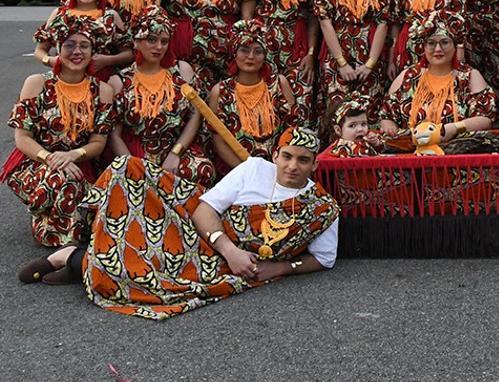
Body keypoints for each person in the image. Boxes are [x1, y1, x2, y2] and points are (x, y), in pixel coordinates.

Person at [23, 128, 338, 317]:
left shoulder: (322, 207)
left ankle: (75, 259)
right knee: (127, 169)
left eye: (303, 159)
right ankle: (81, 257)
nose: (292, 166)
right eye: (287, 156)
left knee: (149, 278)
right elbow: (204, 209)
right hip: (206, 233)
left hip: (229, 266)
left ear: (315, 163)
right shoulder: (255, 168)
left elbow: (324, 258)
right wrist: (229, 249)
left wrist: (281, 268)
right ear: (276, 155)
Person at [5, 17, 115, 246]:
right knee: (61, 179)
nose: (77, 51)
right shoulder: (36, 83)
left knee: (80, 190)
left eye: (84, 46)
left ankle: (61, 231)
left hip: (80, 163)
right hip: (37, 162)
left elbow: (98, 142)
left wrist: (72, 155)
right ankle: (62, 244)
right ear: (57, 48)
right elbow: (22, 137)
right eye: (69, 45)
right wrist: (52, 159)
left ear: (93, 51)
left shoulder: (103, 91)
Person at [108, 6, 215, 187]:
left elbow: (196, 115)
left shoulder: (182, 71)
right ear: (136, 41)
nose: (159, 47)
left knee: (200, 169)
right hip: (137, 151)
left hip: (177, 145)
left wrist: (176, 152)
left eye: (164, 41)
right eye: (151, 40)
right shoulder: (119, 80)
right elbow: (114, 135)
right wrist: (134, 165)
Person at [314, 0, 392, 130]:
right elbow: (324, 20)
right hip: (337, 54)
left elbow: (383, 22)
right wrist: (341, 62)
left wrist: (370, 63)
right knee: (337, 113)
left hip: (369, 56)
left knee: (369, 112)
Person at [379, 14, 496, 137]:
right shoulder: (408, 76)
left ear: (455, 46)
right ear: (423, 47)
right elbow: (387, 115)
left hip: (455, 149)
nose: (438, 49)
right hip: (414, 149)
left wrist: (454, 128)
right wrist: (390, 128)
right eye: (431, 43)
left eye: (445, 42)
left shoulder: (469, 76)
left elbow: (485, 118)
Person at [210, 19, 301, 165]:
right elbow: (218, 141)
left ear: (265, 56)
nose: (251, 57)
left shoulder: (279, 84)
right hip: (237, 169)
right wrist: (246, 171)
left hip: (277, 166)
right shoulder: (220, 91)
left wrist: (279, 165)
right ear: (234, 53)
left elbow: (292, 130)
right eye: (244, 50)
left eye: (258, 51)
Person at [33, 0, 131, 82]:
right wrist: (51, 60)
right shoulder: (59, 15)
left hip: (101, 81)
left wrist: (107, 60)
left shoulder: (110, 16)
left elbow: (128, 54)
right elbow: (40, 50)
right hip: (65, 80)